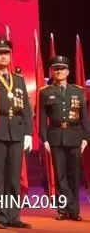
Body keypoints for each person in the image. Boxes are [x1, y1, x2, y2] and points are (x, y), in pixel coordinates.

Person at [0, 39, 32, 229]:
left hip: (17, 131)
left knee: (13, 176)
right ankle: (1, 217)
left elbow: (26, 108)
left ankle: (14, 215)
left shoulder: (18, 79)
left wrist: (28, 133)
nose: (4, 56)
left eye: (6, 53)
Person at [38, 55, 89, 222]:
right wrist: (44, 139)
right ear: (52, 72)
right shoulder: (45, 92)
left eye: (62, 69)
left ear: (68, 71)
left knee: (74, 175)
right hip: (56, 137)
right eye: (56, 69)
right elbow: (42, 118)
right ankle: (63, 209)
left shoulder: (77, 91)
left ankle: (74, 210)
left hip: (75, 136)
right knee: (60, 175)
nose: (59, 71)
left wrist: (86, 138)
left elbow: (84, 117)